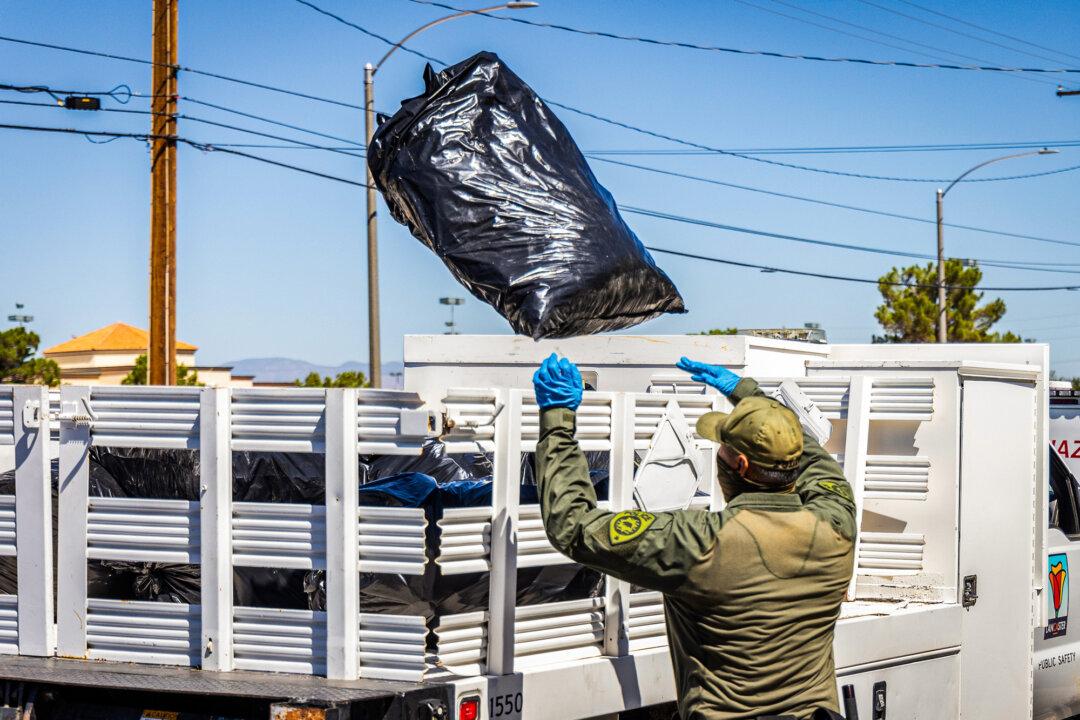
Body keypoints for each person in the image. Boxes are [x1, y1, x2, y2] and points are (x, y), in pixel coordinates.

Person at [532, 353, 856, 720]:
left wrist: (557, 420)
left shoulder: (699, 542)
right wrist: (750, 398)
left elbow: (573, 525)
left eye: (723, 446)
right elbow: (811, 457)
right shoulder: (836, 525)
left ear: (740, 465)